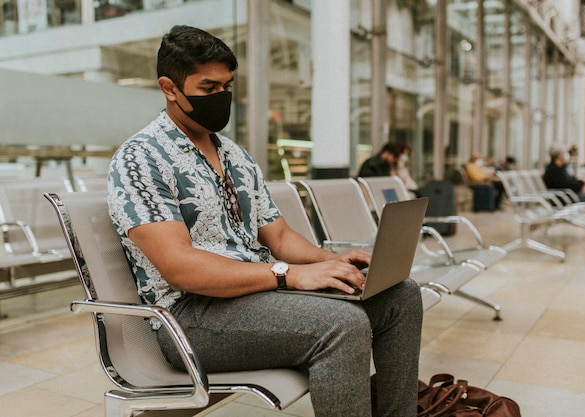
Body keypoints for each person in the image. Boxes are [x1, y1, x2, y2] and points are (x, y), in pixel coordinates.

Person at [107, 25, 423, 417]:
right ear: (170, 88)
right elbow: (180, 268)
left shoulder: (235, 156)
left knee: (399, 294)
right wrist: (287, 275)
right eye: (208, 89)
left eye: (228, 86)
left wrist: (329, 262)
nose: (221, 97)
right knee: (342, 325)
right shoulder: (140, 159)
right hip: (189, 317)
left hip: (256, 294)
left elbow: (280, 235)